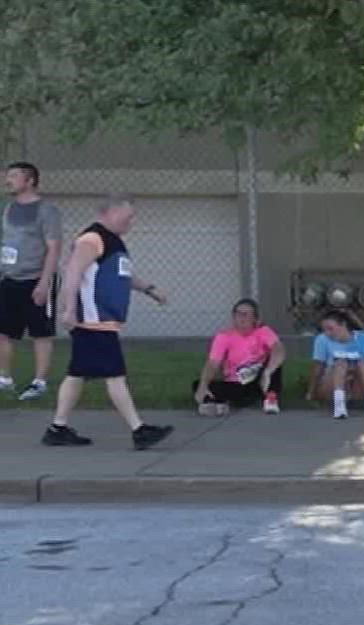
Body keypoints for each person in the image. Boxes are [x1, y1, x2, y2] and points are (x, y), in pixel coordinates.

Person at [41, 196, 173, 450]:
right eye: (127, 216)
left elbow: (121, 275)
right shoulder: (92, 239)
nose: (131, 221)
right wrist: (68, 309)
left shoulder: (113, 242)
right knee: (114, 375)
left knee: (76, 374)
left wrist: (149, 289)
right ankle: (139, 430)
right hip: (94, 321)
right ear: (109, 212)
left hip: (102, 320)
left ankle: (57, 428)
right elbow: (73, 273)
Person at [2, 160, 62, 401]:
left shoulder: (47, 210)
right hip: (8, 280)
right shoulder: (7, 208)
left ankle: (39, 382)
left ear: (30, 181)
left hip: (36, 280)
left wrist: (44, 283)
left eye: (14, 176)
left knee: (40, 333)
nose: (9, 180)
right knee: (3, 331)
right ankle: (4, 379)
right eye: (9, 175)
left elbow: (54, 248)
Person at [193, 298, 286, 415]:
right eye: (238, 313)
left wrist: (268, 372)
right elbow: (213, 363)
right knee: (199, 384)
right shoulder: (224, 336)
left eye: (246, 314)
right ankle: (213, 403)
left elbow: (279, 349)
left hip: (260, 380)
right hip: (237, 384)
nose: (241, 317)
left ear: (255, 318)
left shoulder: (263, 331)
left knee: (274, 362)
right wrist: (203, 384)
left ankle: (270, 399)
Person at [308, 309, 364, 420]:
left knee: (363, 363)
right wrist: (311, 391)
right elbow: (318, 367)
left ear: (343, 325)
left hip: (357, 387)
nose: (327, 333)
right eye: (324, 330)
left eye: (330, 329)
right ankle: (339, 407)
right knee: (340, 363)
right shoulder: (322, 340)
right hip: (331, 385)